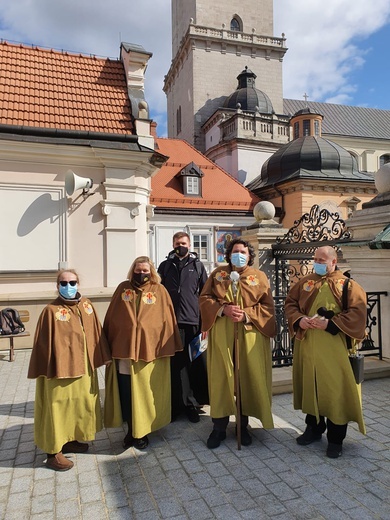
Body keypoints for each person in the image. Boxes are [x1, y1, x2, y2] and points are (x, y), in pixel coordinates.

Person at [284, 245, 367, 458]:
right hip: (308, 346)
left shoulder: (348, 285)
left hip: (334, 350)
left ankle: (336, 439)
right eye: (315, 259)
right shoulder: (305, 282)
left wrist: (330, 324)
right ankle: (313, 429)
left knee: (335, 391)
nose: (317, 263)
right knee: (312, 386)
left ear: (333, 262)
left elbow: (358, 313)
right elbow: (290, 303)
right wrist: (299, 320)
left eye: (322, 260)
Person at [27, 269, 111, 471]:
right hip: (60, 370)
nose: (68, 286)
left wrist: (104, 356)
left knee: (78, 405)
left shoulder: (87, 305)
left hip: (84, 368)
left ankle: (70, 439)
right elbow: (42, 344)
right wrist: (47, 368)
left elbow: (96, 332)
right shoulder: (51, 310)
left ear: (78, 283)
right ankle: (53, 452)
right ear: (57, 286)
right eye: (63, 283)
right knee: (57, 408)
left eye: (72, 282)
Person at [199, 238, 276, 449]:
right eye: (235, 251)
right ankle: (219, 427)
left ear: (250, 255)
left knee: (245, 378)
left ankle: (242, 426)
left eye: (243, 251)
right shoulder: (218, 274)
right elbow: (205, 298)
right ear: (228, 254)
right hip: (222, 334)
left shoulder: (258, 277)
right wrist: (222, 309)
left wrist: (246, 315)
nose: (239, 254)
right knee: (222, 378)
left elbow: (268, 307)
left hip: (249, 335)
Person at [103, 256, 182, 449]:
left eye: (145, 271)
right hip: (125, 350)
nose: (141, 274)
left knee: (145, 392)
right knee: (127, 390)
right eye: (138, 271)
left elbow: (167, 319)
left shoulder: (159, 290)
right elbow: (112, 316)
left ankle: (143, 430)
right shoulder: (123, 288)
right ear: (133, 271)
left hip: (150, 351)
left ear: (152, 271)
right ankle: (131, 429)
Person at [158, 232, 208, 423]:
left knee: (194, 364)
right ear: (173, 244)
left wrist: (205, 323)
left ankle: (193, 403)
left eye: (184, 243)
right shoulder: (165, 266)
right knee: (176, 365)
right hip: (171, 324)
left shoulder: (197, 265)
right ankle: (176, 404)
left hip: (193, 323)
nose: (181, 246)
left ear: (189, 244)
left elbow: (205, 294)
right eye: (178, 243)